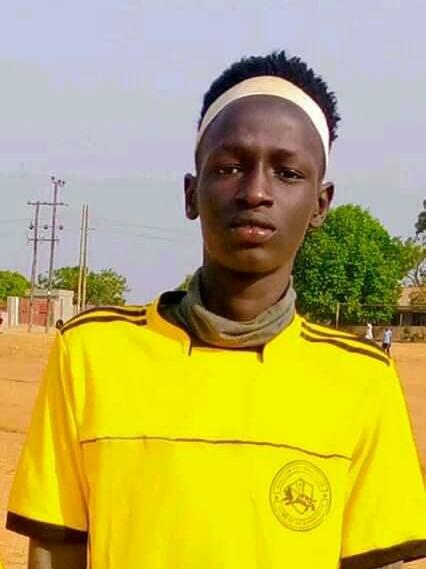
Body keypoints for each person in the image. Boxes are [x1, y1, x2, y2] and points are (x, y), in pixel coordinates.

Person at [6, 52, 426, 569]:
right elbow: (55, 551)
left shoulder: (362, 380)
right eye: (229, 168)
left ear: (320, 204)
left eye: (287, 172)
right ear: (191, 193)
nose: (255, 192)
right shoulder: (91, 354)